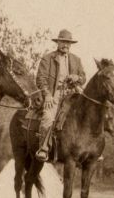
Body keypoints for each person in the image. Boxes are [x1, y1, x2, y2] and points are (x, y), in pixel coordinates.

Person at [35, 29, 86, 162]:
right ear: (58, 42)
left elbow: (83, 77)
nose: (66, 45)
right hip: (55, 94)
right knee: (48, 117)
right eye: (63, 42)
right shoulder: (48, 59)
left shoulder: (76, 60)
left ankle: (91, 148)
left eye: (68, 43)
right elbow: (41, 78)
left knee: (88, 114)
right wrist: (47, 95)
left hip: (72, 94)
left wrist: (77, 78)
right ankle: (44, 147)